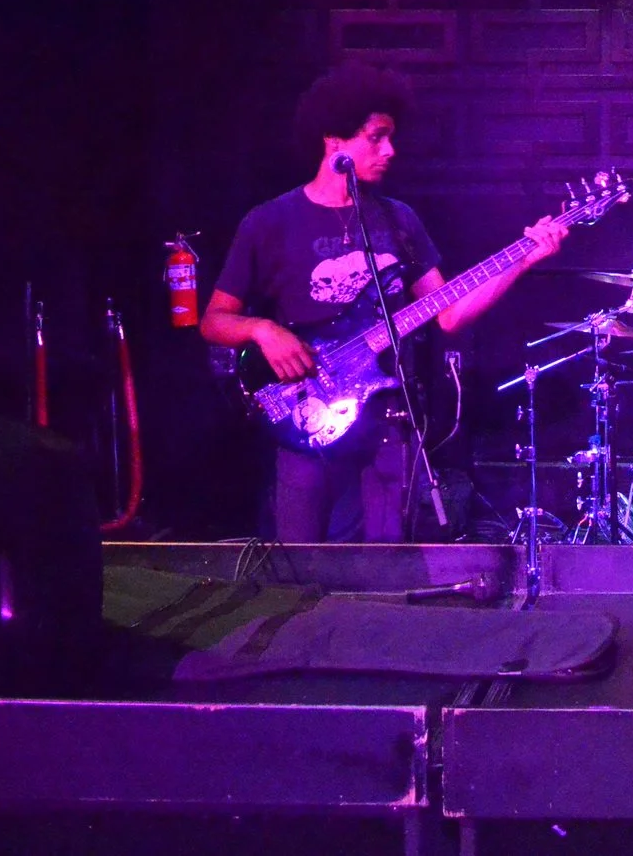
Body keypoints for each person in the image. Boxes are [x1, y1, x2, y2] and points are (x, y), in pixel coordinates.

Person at [201, 63, 566, 542]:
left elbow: (449, 313)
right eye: (376, 138)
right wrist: (263, 330)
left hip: (387, 421)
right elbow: (214, 321)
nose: (390, 150)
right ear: (334, 141)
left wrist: (522, 259)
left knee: (388, 560)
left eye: (391, 138)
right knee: (300, 560)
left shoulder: (398, 221)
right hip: (304, 415)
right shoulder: (270, 222)